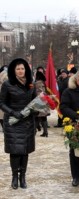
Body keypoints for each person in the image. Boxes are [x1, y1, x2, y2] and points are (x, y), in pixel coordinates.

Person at [0, 58, 36, 189]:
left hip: (27, 122)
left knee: (25, 150)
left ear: (26, 69)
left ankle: (23, 177)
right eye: (18, 69)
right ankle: (14, 177)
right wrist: (13, 112)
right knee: (15, 151)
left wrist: (37, 110)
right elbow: (1, 103)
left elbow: (35, 100)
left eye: (22, 68)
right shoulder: (7, 84)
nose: (21, 71)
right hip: (13, 122)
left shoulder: (31, 83)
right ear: (13, 71)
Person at [34, 71, 49, 137]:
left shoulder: (36, 83)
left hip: (38, 101)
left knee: (36, 116)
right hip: (44, 100)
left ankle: (34, 131)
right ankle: (45, 132)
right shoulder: (43, 83)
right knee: (43, 117)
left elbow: (33, 93)